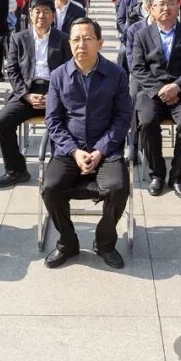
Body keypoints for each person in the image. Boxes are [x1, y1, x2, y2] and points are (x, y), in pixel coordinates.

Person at [41, 18, 132, 269]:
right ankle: (67, 243)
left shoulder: (116, 74)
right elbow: (53, 120)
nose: (82, 44)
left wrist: (101, 150)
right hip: (69, 150)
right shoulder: (59, 75)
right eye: (76, 39)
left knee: (117, 187)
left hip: (107, 149)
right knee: (50, 187)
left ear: (100, 43)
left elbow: (122, 118)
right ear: (69, 44)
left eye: (88, 38)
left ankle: (104, 243)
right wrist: (75, 151)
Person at [0, 0, 72, 187]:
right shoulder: (19, 38)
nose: (41, 16)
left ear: (53, 16)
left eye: (46, 12)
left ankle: (60, 170)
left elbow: (69, 71)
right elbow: (12, 70)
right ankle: (16, 170)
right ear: (30, 14)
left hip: (55, 92)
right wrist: (26, 95)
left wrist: (52, 96)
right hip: (27, 92)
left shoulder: (63, 39)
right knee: (1, 122)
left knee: (67, 122)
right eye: (37, 12)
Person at [132, 0, 181, 199]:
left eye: (170, 3)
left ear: (178, 6)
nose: (166, 8)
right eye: (160, 4)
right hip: (151, 92)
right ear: (151, 9)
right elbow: (138, 68)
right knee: (146, 122)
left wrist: (177, 86)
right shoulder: (142, 35)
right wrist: (158, 90)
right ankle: (157, 173)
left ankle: (178, 175)